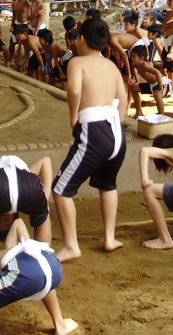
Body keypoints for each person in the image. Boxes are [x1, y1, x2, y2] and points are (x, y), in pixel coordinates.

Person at [52, 18, 127, 261]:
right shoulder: (112, 66)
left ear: (81, 39)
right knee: (108, 183)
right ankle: (109, 237)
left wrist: (73, 117)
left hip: (94, 130)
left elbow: (73, 91)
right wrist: (118, 121)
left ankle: (71, 245)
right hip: (116, 133)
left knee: (61, 189)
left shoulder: (77, 62)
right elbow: (123, 99)